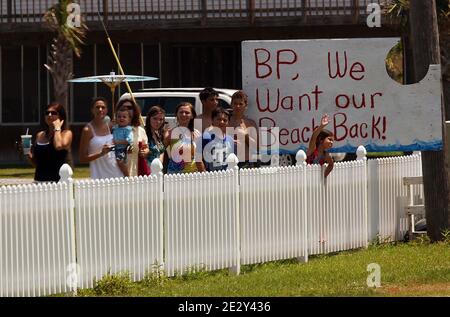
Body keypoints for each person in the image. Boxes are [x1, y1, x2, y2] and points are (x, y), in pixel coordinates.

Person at [24, 102, 72, 182]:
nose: (49, 115)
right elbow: (37, 163)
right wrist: (27, 151)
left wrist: (57, 128)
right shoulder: (40, 135)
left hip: (58, 183)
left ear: (61, 116)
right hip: (39, 181)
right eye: (47, 113)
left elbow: (58, 146)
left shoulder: (66, 134)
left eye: (53, 113)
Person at [79, 97, 123, 179]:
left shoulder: (112, 126)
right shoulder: (88, 129)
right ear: (92, 110)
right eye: (97, 107)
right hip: (99, 176)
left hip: (117, 173)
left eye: (103, 107)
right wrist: (101, 153)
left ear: (107, 110)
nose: (100, 109)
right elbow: (82, 158)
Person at [165, 102, 205, 174]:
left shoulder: (197, 134)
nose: (183, 114)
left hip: (192, 174)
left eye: (187, 112)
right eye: (181, 112)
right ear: (177, 114)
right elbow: (160, 151)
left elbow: (199, 159)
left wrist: (204, 174)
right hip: (173, 175)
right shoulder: (170, 133)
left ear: (192, 116)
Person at [115, 99, 149, 177]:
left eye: (129, 107)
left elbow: (146, 148)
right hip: (118, 175)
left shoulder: (140, 130)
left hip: (136, 174)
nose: (126, 109)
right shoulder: (114, 130)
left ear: (135, 111)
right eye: (123, 107)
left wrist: (145, 151)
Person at [228, 90, 259, 169]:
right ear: (231, 104)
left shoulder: (250, 123)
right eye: (235, 103)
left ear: (245, 106)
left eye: (240, 104)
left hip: (246, 162)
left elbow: (257, 147)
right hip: (228, 161)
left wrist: (245, 135)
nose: (238, 106)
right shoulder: (225, 121)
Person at [199, 107, 234, 172]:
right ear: (212, 120)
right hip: (210, 177)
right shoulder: (205, 137)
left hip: (226, 176)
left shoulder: (230, 139)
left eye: (225, 120)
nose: (222, 122)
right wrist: (204, 173)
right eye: (219, 119)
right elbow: (198, 159)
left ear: (228, 123)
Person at [306, 113, 334, 177]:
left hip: (317, 183)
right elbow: (314, 137)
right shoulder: (313, 149)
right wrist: (321, 126)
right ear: (321, 140)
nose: (331, 142)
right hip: (306, 180)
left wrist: (324, 176)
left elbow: (331, 165)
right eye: (329, 139)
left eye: (332, 141)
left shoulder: (326, 155)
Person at [112, 109, 134, 177]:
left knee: (120, 161)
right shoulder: (115, 127)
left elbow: (129, 140)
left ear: (129, 119)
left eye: (124, 117)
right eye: (119, 116)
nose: (121, 118)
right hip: (114, 148)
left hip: (122, 148)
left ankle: (127, 175)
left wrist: (117, 142)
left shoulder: (128, 129)